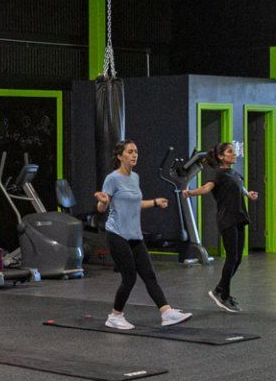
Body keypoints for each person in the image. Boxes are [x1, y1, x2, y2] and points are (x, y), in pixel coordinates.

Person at [94, 140, 192, 330]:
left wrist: (155, 202)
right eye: (130, 152)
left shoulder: (135, 177)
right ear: (120, 156)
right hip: (117, 234)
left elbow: (134, 203)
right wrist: (103, 202)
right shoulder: (112, 179)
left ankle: (166, 313)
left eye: (136, 151)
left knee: (149, 275)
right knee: (129, 277)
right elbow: (102, 207)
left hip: (134, 234)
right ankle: (115, 316)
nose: (134, 155)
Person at [184, 141, 256, 313]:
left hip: (240, 218)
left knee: (237, 259)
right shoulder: (217, 175)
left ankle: (219, 290)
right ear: (221, 156)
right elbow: (206, 188)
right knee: (232, 258)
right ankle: (224, 296)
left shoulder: (234, 173)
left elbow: (240, 186)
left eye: (234, 151)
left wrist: (249, 194)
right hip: (227, 220)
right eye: (230, 152)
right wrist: (191, 192)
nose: (234, 154)